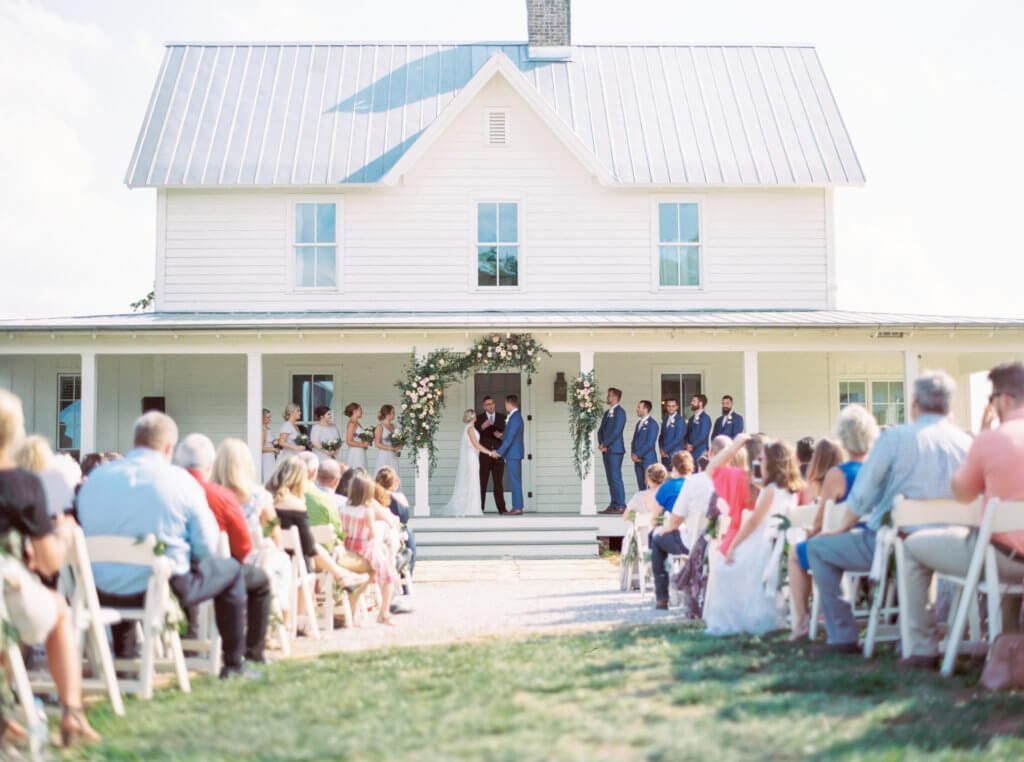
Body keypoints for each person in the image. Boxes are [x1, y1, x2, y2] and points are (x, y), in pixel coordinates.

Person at [77, 411, 253, 679]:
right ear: (169, 447)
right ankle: (233, 664)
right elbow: (205, 548)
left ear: (134, 440)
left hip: (97, 588)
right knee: (231, 570)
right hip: (160, 587)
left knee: (122, 571)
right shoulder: (180, 481)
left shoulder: (96, 479)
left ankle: (126, 663)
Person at [805, 371, 972, 655]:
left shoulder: (895, 438)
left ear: (914, 403)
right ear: (950, 407)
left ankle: (843, 637)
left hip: (897, 542)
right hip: (954, 545)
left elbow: (863, 495)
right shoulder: (966, 443)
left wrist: (842, 527)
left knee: (818, 547)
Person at [899, 362, 1024, 668]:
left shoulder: (991, 439)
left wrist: (981, 441)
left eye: (991, 399)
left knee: (911, 547)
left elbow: (962, 492)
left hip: (1005, 561)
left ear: (1003, 400)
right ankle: (1009, 651)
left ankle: (923, 650)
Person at [0, 389, 100, 746]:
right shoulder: (22, 484)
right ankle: (71, 713)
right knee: (59, 609)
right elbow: (48, 562)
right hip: (6, 591)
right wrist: (62, 533)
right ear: (13, 433)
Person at [174, 434, 272, 664]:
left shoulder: (171, 492)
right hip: (213, 570)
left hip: (170, 571)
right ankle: (250, 653)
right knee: (258, 579)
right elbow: (243, 547)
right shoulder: (226, 496)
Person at [788, 405, 878, 639]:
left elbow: (821, 522)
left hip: (848, 546)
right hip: (881, 543)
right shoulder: (879, 469)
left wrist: (812, 533)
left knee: (797, 553)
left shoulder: (838, 474)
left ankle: (801, 620)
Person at [704, 439, 803, 635]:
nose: (760, 462)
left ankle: (733, 621)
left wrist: (733, 546)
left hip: (760, 543)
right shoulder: (790, 489)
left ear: (773, 462)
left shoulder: (770, 490)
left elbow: (753, 522)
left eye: (763, 459)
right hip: (776, 544)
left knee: (723, 568)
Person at [212, 438, 292, 624]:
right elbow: (274, 532)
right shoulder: (258, 496)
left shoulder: (209, 494)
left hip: (217, 563)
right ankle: (281, 623)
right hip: (254, 563)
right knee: (282, 560)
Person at [340, 473, 400, 625]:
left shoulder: (343, 508)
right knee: (388, 576)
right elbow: (372, 534)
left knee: (361, 581)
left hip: (348, 548)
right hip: (365, 548)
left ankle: (352, 616)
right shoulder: (367, 512)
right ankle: (384, 613)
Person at [438, 410, 490, 517]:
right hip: (471, 458)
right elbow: (476, 444)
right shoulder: (470, 429)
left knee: (473, 480)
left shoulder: (470, 428)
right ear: (473, 417)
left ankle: (473, 506)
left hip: (474, 457)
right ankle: (470, 508)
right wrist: (489, 452)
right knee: (471, 480)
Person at [375, 466, 416, 587]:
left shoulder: (376, 498)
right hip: (401, 533)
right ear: (394, 482)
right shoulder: (400, 496)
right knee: (409, 534)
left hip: (381, 535)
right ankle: (404, 580)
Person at [491, 395, 525, 515]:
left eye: (505, 404)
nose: (505, 406)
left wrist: (499, 452)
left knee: (515, 480)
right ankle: (517, 506)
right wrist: (501, 435)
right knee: (514, 479)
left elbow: (510, 438)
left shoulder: (515, 417)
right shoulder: (514, 417)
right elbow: (510, 434)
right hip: (512, 453)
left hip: (513, 453)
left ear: (509, 404)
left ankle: (518, 507)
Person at [475, 396, 507, 514]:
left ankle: (502, 509)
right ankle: (480, 508)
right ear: (484, 406)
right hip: (484, 456)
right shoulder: (478, 419)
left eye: (492, 403)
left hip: (498, 455)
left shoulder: (502, 417)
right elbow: (473, 436)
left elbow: (508, 435)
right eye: (487, 404)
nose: (490, 406)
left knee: (498, 484)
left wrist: (501, 436)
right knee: (482, 483)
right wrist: (482, 427)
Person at [597, 387, 627, 514]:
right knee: (610, 478)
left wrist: (605, 443)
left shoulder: (620, 412)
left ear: (615, 397)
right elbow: (601, 430)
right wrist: (601, 444)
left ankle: (621, 505)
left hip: (615, 450)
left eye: (609, 395)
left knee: (615, 477)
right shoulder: (607, 413)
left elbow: (616, 431)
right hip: (606, 449)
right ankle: (613, 504)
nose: (607, 397)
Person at [630, 401, 660, 493]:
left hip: (648, 460)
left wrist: (637, 454)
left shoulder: (653, 424)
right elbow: (634, 441)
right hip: (637, 460)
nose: (637, 409)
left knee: (650, 487)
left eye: (639, 407)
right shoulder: (639, 423)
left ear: (646, 409)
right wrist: (633, 454)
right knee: (641, 487)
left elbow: (650, 443)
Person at [654, 451, 695, 515]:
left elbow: (655, 516)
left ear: (674, 468)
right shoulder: (698, 485)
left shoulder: (666, 487)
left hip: (673, 522)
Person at [373, 405, 403, 475]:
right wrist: (391, 448)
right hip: (384, 456)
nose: (394, 414)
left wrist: (400, 444)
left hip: (394, 456)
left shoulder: (395, 426)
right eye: (393, 412)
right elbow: (377, 444)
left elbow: (399, 439)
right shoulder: (380, 427)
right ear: (387, 414)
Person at [683, 394, 711, 465]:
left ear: (700, 403)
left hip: (700, 451)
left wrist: (691, 446)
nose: (691, 403)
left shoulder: (705, 418)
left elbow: (703, 436)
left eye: (694, 401)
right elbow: (687, 433)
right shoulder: (691, 418)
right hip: (690, 452)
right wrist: (686, 444)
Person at [659, 398, 686, 469]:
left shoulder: (680, 420)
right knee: (666, 477)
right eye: (669, 406)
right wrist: (661, 449)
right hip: (664, 456)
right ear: (666, 407)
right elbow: (661, 436)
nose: (671, 408)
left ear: (677, 407)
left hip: (675, 454)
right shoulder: (665, 420)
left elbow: (678, 438)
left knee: (675, 476)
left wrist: (665, 450)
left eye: (673, 406)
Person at [344, 402, 369, 472]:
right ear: (355, 411)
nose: (362, 411)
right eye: (360, 409)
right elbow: (348, 441)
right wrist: (362, 445)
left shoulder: (357, 422)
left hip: (360, 451)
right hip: (355, 453)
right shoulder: (352, 423)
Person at [261, 408, 277, 480]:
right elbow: (261, 448)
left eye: (270, 417)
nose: (270, 419)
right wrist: (274, 449)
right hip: (266, 457)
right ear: (262, 418)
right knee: (268, 477)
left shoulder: (268, 429)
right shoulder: (262, 430)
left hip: (271, 457)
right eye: (268, 417)